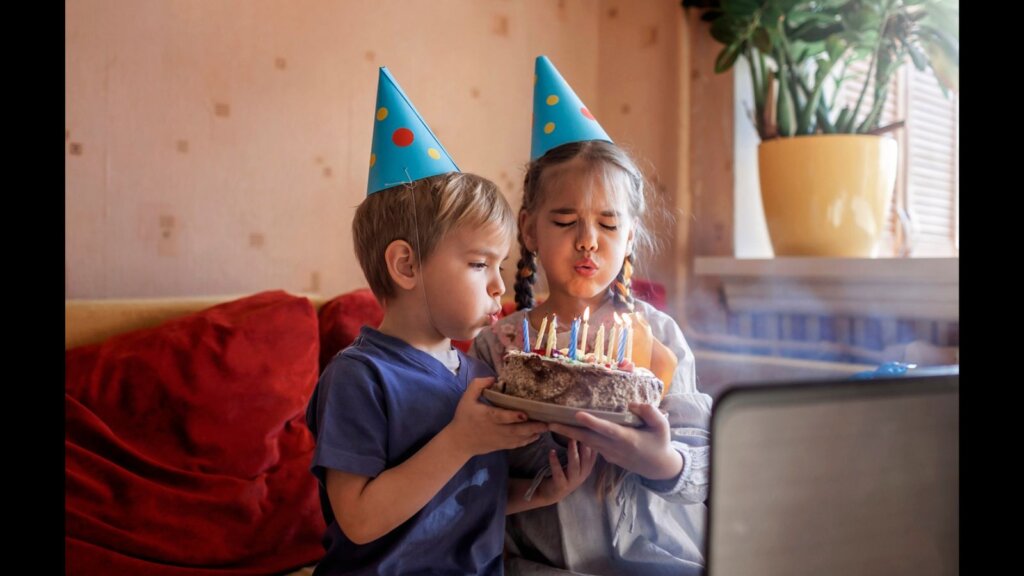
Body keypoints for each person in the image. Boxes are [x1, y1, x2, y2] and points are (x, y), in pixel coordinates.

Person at [306, 66, 595, 575]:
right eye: (480, 264)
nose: (499, 287)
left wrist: (543, 491)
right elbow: (360, 520)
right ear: (407, 265)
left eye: (501, 267)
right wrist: (462, 440)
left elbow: (461, 498)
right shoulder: (359, 378)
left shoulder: (474, 374)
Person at [470, 56, 712, 576]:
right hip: (543, 562)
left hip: (655, 560)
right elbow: (477, 475)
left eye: (607, 223)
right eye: (566, 220)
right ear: (531, 231)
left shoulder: (658, 338)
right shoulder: (500, 346)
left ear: (629, 238)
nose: (587, 240)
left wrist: (661, 462)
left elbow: (707, 466)